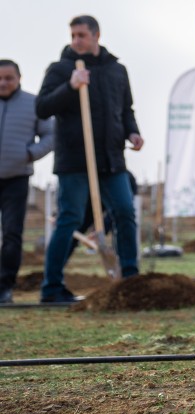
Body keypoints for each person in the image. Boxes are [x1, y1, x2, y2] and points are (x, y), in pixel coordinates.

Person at [37, 16, 144, 302]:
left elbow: (126, 109)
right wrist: (70, 86)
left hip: (111, 158)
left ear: (96, 35)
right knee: (69, 218)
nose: (76, 41)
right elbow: (43, 107)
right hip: (74, 158)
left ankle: (130, 280)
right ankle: (52, 287)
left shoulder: (116, 70)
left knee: (124, 211)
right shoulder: (60, 69)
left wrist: (133, 132)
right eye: (72, 35)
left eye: (81, 35)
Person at [0, 60, 55, 304]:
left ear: (19, 78)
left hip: (17, 179)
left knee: (12, 233)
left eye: (9, 78)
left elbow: (51, 134)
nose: (3, 82)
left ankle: (4, 286)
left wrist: (31, 154)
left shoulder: (34, 104)